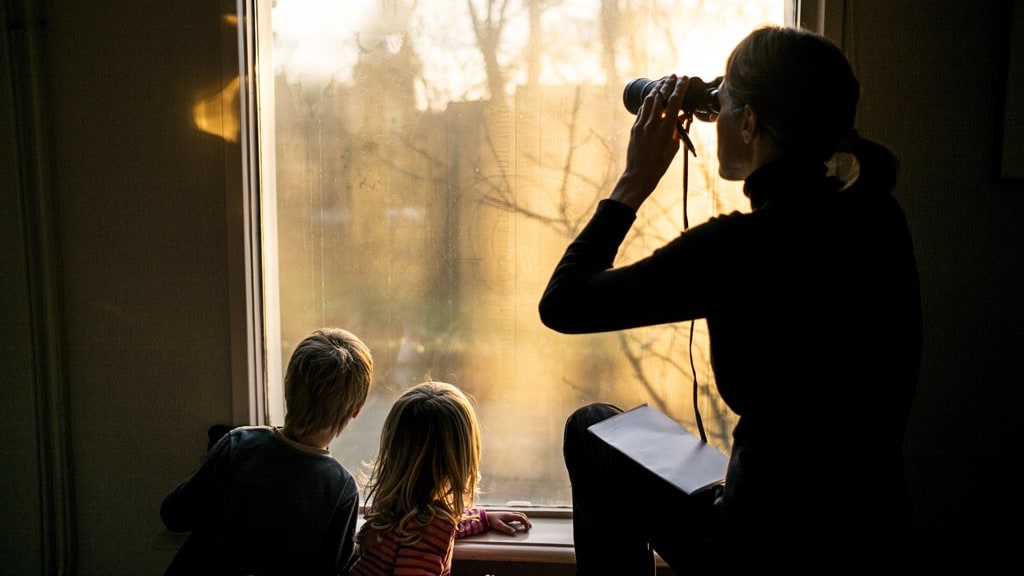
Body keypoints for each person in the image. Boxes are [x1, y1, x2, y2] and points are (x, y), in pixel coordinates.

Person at [538, 25, 922, 574]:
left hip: (757, 546)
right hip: (871, 539)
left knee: (593, 425)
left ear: (747, 123)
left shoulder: (740, 247)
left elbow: (563, 304)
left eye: (723, 104)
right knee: (612, 423)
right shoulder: (878, 217)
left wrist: (634, 181)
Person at [160, 327, 374, 576]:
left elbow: (174, 515)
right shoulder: (340, 489)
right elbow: (331, 569)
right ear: (356, 409)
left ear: (287, 387)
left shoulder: (239, 444)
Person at [348, 381, 532, 576]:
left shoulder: (396, 508)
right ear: (462, 459)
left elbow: (428, 527)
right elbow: (429, 532)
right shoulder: (431, 526)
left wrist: (483, 519)